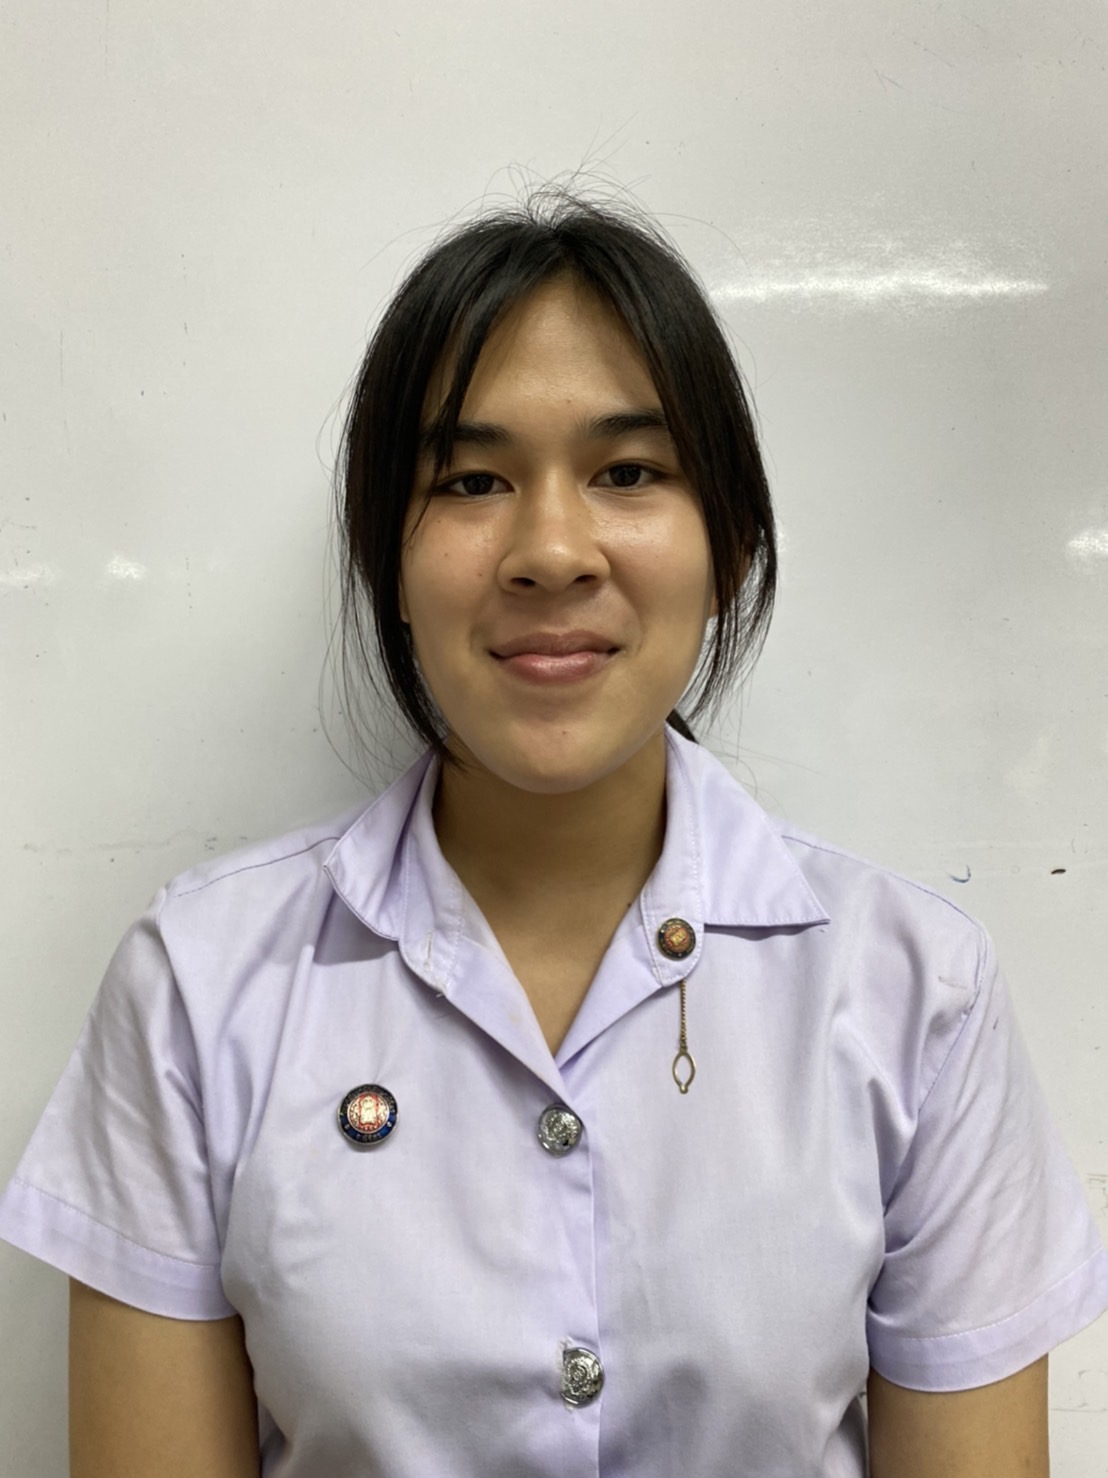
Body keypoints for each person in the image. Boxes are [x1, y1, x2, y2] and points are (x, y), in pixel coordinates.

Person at [1, 190, 1106, 1478]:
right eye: (472, 481)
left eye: (628, 472)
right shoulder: (199, 986)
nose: (552, 550)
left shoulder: (919, 994)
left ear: (731, 543)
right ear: (387, 560)